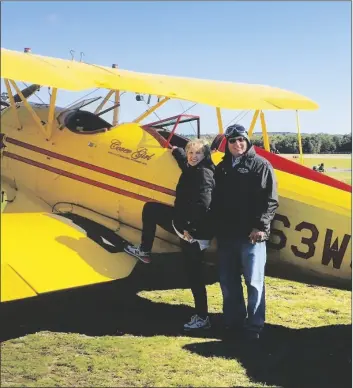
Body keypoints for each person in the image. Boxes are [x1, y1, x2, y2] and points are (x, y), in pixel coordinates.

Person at [124, 139, 215, 331]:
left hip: (194, 233)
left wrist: (189, 228)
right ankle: (145, 250)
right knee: (151, 209)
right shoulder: (194, 168)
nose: (193, 156)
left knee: (194, 275)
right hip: (182, 223)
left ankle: (202, 317)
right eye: (191, 152)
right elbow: (186, 165)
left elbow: (204, 205)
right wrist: (178, 152)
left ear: (205, 155)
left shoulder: (204, 175)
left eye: (197, 153)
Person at [211, 124, 279, 341]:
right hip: (226, 234)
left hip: (251, 236)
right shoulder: (222, 167)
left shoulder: (261, 165)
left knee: (254, 282)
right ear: (227, 144)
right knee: (228, 281)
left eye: (241, 140)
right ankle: (232, 321)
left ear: (247, 141)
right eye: (232, 141)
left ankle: (254, 327)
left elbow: (270, 200)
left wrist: (261, 227)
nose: (237, 144)